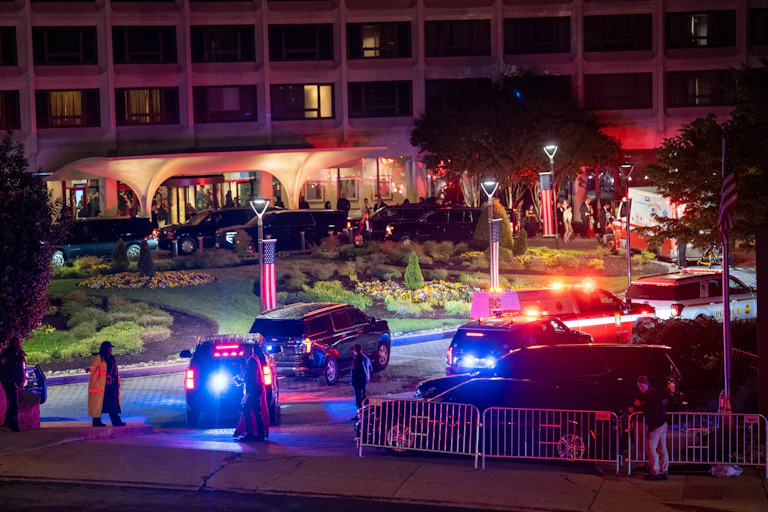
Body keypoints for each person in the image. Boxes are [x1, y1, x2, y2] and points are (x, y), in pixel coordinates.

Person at [630, 376, 668, 481]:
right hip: (663, 423)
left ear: (647, 385)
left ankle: (655, 472)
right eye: (639, 387)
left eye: (642, 386)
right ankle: (664, 471)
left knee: (650, 449)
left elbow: (649, 410)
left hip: (655, 425)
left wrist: (637, 406)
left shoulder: (649, 395)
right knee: (662, 448)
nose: (640, 389)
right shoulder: (658, 394)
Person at [87, 342, 126, 427]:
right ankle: (97, 421)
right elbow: (95, 365)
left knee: (112, 403)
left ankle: (116, 421)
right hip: (103, 385)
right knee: (100, 403)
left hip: (112, 385)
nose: (111, 350)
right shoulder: (100, 358)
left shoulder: (111, 358)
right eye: (109, 348)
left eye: (111, 348)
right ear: (105, 349)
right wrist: (89, 369)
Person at [235, 345, 269, 441]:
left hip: (253, 391)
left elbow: (251, 378)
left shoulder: (251, 361)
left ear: (249, 351)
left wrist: (248, 392)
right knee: (256, 412)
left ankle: (250, 434)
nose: (242, 352)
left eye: (244, 350)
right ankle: (259, 434)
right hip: (256, 391)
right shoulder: (253, 360)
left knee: (247, 411)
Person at [0, 345, 25, 432]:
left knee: (13, 403)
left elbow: (19, 369)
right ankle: (12, 422)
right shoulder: (8, 355)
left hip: (13, 381)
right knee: (13, 403)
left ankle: (9, 420)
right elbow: (5, 370)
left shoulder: (17, 354)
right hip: (8, 382)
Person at [350, 344, 372, 421]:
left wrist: (352, 380)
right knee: (363, 397)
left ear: (354, 350)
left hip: (357, 381)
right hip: (364, 380)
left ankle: (360, 415)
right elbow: (371, 368)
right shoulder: (366, 358)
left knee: (358, 399)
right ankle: (366, 413)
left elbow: (354, 371)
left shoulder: (356, 359)